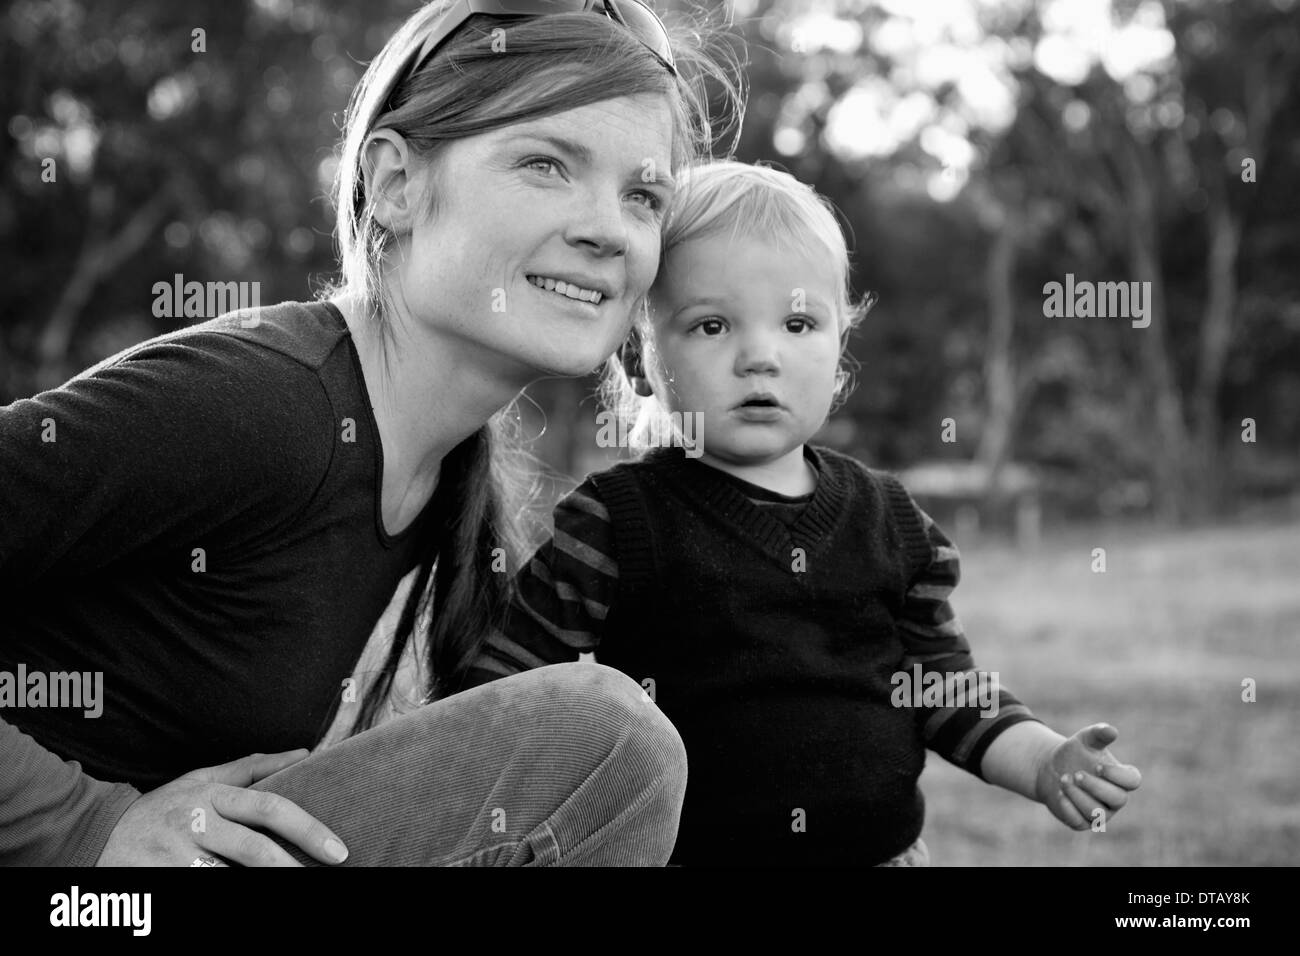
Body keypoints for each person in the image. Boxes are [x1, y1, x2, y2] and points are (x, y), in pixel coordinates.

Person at [0, 0, 742, 867]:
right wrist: (81, 825)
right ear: (395, 184)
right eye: (546, 163)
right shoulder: (261, 407)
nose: (608, 229)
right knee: (606, 741)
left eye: (643, 195)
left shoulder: (440, 470)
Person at [465, 160, 1143, 866]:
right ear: (641, 361)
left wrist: (1043, 762)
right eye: (712, 325)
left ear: (840, 353)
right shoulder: (616, 526)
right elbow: (507, 692)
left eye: (797, 322)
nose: (760, 356)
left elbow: (946, 688)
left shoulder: (889, 520)